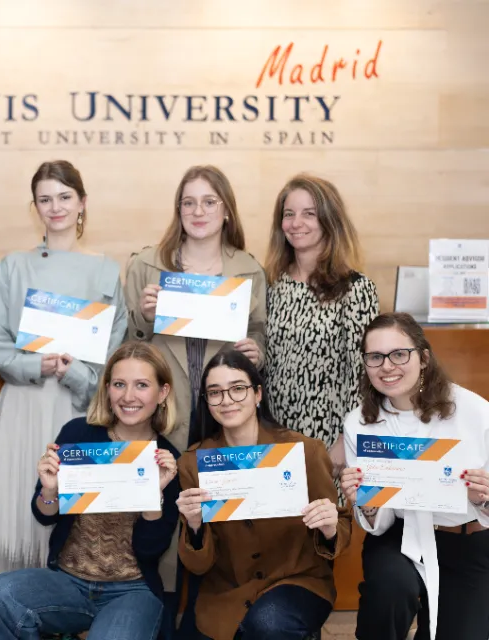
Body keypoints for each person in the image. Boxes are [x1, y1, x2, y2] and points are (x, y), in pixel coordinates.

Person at [123, 164, 267, 635]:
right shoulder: (147, 264)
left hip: (223, 416)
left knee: (216, 523)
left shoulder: (248, 268)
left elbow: (261, 335)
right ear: (178, 210)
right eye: (189, 202)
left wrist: (255, 351)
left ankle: (209, 624)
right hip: (167, 416)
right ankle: (157, 623)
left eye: (209, 201)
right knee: (159, 526)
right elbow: (129, 344)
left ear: (226, 210)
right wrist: (147, 320)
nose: (198, 211)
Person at [0, 160, 128, 583]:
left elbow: (114, 352)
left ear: (82, 202)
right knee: (16, 508)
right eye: (45, 199)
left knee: (71, 512)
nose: (55, 207)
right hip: (23, 402)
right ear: (35, 207)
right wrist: (34, 363)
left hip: (77, 408)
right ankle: (10, 605)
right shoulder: (12, 267)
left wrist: (78, 375)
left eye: (64, 197)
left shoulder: (105, 269)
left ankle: (66, 605)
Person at [0, 341, 180, 640]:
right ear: (107, 389)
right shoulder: (78, 433)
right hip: (69, 582)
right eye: (119, 384)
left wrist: (155, 495)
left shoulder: (166, 459)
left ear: (162, 392)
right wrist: (50, 490)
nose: (128, 396)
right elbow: (44, 515)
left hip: (132, 591)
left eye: (141, 385)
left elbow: (151, 550)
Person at [176, 349, 351, 640]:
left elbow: (341, 527)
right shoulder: (194, 464)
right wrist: (194, 527)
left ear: (258, 394)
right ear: (206, 403)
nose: (227, 400)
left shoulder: (304, 451)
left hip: (297, 582)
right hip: (226, 595)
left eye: (238, 389)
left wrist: (331, 528)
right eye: (215, 393)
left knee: (267, 625)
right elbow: (198, 564)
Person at [341, 312, 489, 640]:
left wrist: (485, 499)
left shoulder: (475, 411)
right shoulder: (359, 424)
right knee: (389, 591)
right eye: (375, 357)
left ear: (423, 357)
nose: (387, 366)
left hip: (467, 539)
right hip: (400, 536)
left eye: (398, 354)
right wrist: (365, 503)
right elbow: (380, 522)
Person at [264, 174, 378, 474]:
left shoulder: (355, 288)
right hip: (273, 435)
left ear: (329, 220)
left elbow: (364, 373)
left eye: (309, 213)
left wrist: (346, 438)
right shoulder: (270, 285)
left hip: (329, 437)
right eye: (288, 214)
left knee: (324, 518)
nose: (296, 222)